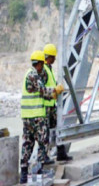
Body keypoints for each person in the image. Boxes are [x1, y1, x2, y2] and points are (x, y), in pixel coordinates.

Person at [20, 51, 64, 183]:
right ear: (39, 64)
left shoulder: (27, 74)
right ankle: (38, 169)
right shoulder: (34, 75)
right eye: (42, 65)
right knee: (43, 142)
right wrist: (55, 90)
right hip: (37, 116)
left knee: (27, 143)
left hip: (27, 116)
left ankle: (24, 172)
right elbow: (43, 91)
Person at [43, 44, 72, 162]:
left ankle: (61, 153)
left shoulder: (48, 69)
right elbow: (42, 89)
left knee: (58, 128)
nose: (55, 59)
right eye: (53, 57)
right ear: (49, 57)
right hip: (46, 107)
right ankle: (44, 156)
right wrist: (54, 92)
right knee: (45, 132)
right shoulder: (44, 70)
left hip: (51, 106)